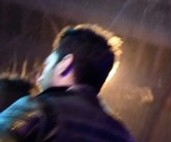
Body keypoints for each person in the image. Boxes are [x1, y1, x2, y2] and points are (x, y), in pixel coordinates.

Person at [0, 24, 134, 141]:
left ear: (65, 64)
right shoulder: (122, 134)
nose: (39, 78)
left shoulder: (40, 109)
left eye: (47, 65)